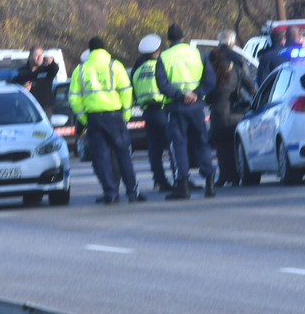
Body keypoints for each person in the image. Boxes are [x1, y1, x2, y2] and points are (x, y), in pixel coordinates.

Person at [69, 37, 147, 205]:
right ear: (105, 49)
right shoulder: (114, 66)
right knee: (123, 155)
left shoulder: (80, 70)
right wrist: (125, 115)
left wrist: (84, 117)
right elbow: (126, 91)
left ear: (90, 51)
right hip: (115, 117)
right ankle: (133, 192)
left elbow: (74, 99)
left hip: (94, 118)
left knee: (102, 157)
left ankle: (110, 193)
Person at [155, 24, 217, 200]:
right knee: (202, 143)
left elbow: (162, 84)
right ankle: (210, 182)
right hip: (197, 107)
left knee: (178, 146)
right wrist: (196, 94)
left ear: (169, 39)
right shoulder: (198, 53)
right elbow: (210, 79)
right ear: (183, 37)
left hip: (175, 107)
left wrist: (180, 96)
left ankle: (182, 185)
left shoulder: (164, 57)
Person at [131, 33, 175, 192]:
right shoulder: (160, 66)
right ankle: (179, 178)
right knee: (173, 146)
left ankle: (159, 180)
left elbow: (134, 93)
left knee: (154, 150)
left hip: (147, 113)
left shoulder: (137, 71)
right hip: (163, 110)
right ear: (157, 52)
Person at [207, 48, 256, 187]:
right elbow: (251, 87)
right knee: (234, 144)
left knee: (222, 147)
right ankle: (235, 176)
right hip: (236, 113)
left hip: (219, 114)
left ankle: (224, 176)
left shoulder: (210, 74)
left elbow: (207, 96)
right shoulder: (235, 71)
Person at [13, 46, 60, 115]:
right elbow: (13, 89)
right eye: (36, 55)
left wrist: (51, 62)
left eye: (41, 55)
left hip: (45, 109)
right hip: (26, 109)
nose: (39, 57)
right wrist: (23, 90)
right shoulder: (21, 72)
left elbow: (55, 69)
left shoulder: (46, 70)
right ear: (30, 56)